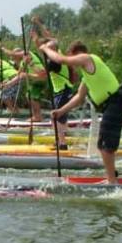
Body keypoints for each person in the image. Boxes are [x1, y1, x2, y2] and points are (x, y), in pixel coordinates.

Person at [39, 39, 122, 183]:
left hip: (116, 102)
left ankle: (112, 181)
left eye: (72, 56)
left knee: (106, 146)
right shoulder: (86, 75)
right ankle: (112, 175)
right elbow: (79, 97)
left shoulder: (87, 58)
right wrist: (60, 111)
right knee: (102, 145)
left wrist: (45, 49)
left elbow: (60, 59)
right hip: (111, 105)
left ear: (75, 53)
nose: (73, 63)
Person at [29, 16, 76, 149]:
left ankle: (62, 144)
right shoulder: (57, 52)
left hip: (62, 90)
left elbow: (41, 74)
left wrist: (30, 63)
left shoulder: (54, 61)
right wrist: (38, 24)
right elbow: (49, 37)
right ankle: (60, 141)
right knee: (56, 117)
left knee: (56, 117)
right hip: (61, 90)